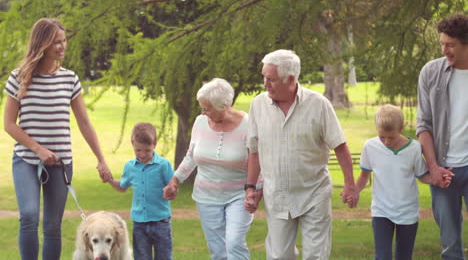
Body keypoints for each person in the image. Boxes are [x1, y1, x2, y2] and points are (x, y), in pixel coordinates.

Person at [3, 18, 112, 260]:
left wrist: (101, 160)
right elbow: (9, 124)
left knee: (52, 226)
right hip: (26, 161)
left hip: (61, 165)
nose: (62, 47)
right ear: (42, 44)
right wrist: (38, 149)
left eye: (63, 41)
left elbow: (84, 123)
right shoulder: (18, 77)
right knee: (29, 215)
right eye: (56, 42)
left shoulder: (69, 79)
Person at [244, 49, 358, 260]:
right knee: (279, 256)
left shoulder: (319, 104)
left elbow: (340, 146)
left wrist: (350, 184)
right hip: (276, 194)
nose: (265, 84)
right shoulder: (258, 105)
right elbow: (254, 150)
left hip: (314, 193)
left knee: (316, 256)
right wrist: (250, 188)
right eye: (264, 77)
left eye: (271, 79)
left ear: (291, 79)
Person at [163, 78, 259, 260]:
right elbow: (191, 156)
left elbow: (257, 160)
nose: (203, 112)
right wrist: (175, 180)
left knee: (234, 243)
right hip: (206, 197)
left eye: (207, 109)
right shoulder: (200, 122)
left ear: (223, 105)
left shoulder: (248, 125)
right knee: (218, 251)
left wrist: (255, 191)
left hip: (239, 195)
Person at [355, 104, 452, 260]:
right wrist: (354, 191)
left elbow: (422, 176)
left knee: (404, 256)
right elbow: (364, 176)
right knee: (383, 256)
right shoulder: (370, 147)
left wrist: (438, 180)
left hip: (408, 212)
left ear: (401, 128)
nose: (386, 141)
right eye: (382, 136)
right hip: (381, 211)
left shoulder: (414, 148)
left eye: (391, 137)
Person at [417, 13, 468, 259]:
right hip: (443, 169)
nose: (444, 49)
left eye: (451, 45)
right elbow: (423, 123)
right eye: (442, 43)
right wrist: (433, 167)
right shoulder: (430, 72)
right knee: (449, 244)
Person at [108, 122, 174, 260]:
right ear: (132, 144)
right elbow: (122, 187)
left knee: (164, 257)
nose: (142, 154)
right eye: (138, 150)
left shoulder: (164, 165)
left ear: (154, 144)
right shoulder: (130, 167)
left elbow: (173, 187)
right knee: (141, 257)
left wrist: (171, 190)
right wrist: (109, 180)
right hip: (140, 223)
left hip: (161, 221)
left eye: (147, 150)